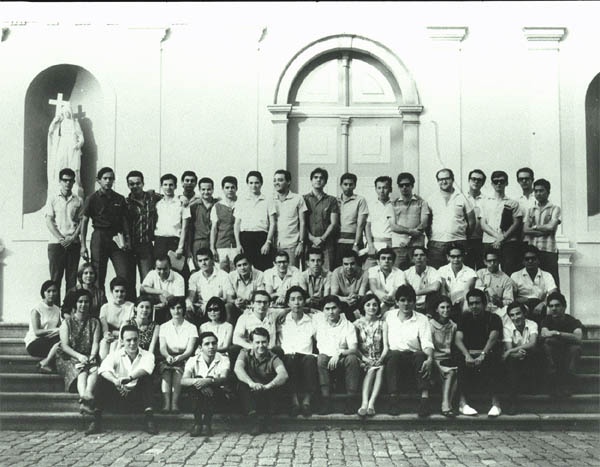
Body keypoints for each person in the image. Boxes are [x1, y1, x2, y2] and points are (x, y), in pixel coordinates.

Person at [89, 325, 158, 435]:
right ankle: (96, 420)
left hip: (138, 399)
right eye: (128, 340)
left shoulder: (148, 355)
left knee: (147, 378)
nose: (132, 343)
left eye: (135, 339)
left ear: (139, 339)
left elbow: (147, 369)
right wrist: (115, 381)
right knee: (103, 377)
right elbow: (103, 369)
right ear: (122, 341)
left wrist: (130, 378)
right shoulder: (115, 355)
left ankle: (149, 420)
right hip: (118, 397)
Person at [80, 167, 131, 298]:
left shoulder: (119, 199)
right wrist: (83, 245)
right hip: (99, 237)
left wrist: (127, 239)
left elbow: (125, 221)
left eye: (111, 178)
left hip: (116, 238)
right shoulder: (91, 198)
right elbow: (84, 222)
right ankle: (99, 307)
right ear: (99, 180)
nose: (108, 181)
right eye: (105, 178)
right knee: (97, 275)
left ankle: (123, 307)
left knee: (124, 273)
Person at [384, 285, 434, 417]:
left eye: (410, 300)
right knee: (393, 355)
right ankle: (393, 400)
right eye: (402, 300)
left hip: (413, 357)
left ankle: (424, 400)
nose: (406, 304)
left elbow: (426, 342)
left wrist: (429, 358)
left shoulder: (422, 319)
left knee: (420, 356)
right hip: (394, 357)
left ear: (415, 302)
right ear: (396, 302)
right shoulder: (388, 316)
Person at [454, 289, 503, 417]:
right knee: (460, 359)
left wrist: (483, 354)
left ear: (484, 303)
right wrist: (467, 355)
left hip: (486, 352)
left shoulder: (494, 318)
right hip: (469, 354)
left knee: (494, 358)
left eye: (477, 303)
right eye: (471, 303)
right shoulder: (464, 317)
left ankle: (495, 403)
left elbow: (493, 338)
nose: (474, 306)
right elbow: (458, 339)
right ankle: (462, 403)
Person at [234, 327, 289, 435]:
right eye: (257, 342)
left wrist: (269, 385)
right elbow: (238, 368)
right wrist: (251, 383)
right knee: (242, 384)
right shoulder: (244, 353)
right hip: (251, 389)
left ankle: (268, 420)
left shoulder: (273, 357)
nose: (260, 345)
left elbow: (283, 374)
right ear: (251, 343)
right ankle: (255, 422)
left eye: (264, 342)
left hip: (266, 389)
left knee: (276, 385)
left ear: (268, 342)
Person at [55, 289, 101, 417]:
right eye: (80, 301)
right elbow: (64, 346)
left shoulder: (94, 322)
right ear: (75, 304)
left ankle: (87, 395)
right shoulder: (67, 323)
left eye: (86, 302)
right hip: (68, 357)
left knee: (94, 368)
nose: (83, 304)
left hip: (87, 356)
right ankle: (85, 396)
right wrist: (79, 356)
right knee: (82, 370)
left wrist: (92, 356)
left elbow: (95, 343)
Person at [314, 295, 360, 415]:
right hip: (326, 359)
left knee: (352, 359)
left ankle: (351, 400)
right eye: (327, 309)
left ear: (339, 309)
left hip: (342, 358)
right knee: (321, 358)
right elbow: (322, 348)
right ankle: (326, 400)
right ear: (323, 311)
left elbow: (353, 349)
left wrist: (339, 354)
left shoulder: (348, 325)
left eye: (334, 308)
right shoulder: (319, 324)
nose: (331, 312)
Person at [277, 286, 318, 417]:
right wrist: (285, 311)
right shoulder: (281, 321)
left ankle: (307, 401)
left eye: (300, 299)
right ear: (288, 302)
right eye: (293, 299)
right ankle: (294, 402)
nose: (296, 302)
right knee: (289, 359)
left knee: (311, 359)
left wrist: (309, 309)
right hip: (288, 357)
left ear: (305, 301)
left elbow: (323, 314)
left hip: (306, 357)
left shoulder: (312, 320)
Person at [182, 331, 231, 437]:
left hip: (218, 395)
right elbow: (184, 380)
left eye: (214, 343)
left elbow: (223, 378)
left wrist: (208, 381)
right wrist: (199, 382)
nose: (211, 347)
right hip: (197, 395)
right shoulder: (193, 360)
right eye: (207, 344)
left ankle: (207, 423)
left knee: (208, 382)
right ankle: (198, 423)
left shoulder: (223, 359)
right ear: (200, 347)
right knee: (195, 385)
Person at [45, 167, 83, 295]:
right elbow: (49, 221)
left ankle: (68, 312)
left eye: (71, 181)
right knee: (55, 280)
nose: (68, 183)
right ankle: (55, 312)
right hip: (56, 244)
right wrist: (61, 238)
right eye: (65, 180)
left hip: (73, 243)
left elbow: (81, 221)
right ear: (60, 181)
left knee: (71, 280)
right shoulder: (52, 198)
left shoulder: (78, 200)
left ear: (73, 182)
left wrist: (72, 237)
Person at [428, 168, 475, 269]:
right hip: (437, 244)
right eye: (440, 179)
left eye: (447, 178)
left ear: (453, 179)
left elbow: (472, 221)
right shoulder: (431, 199)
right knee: (437, 273)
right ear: (438, 181)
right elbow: (427, 223)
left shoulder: (462, 197)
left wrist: (462, 236)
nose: (444, 181)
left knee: (461, 272)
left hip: (459, 241)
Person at [158, 296, 198, 413]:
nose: (176, 311)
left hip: (184, 357)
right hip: (168, 356)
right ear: (169, 310)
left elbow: (189, 350)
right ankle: (166, 404)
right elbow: (162, 347)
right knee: (166, 370)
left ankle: (175, 404)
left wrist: (180, 357)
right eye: (173, 308)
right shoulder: (164, 327)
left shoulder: (191, 327)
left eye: (179, 308)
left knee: (177, 371)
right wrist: (167, 356)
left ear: (184, 309)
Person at [479, 170, 524, 276]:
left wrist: (502, 238)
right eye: (495, 181)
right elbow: (483, 224)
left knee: (509, 270)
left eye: (502, 181)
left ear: (506, 183)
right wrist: (497, 237)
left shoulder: (513, 203)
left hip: (508, 242)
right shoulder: (485, 201)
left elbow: (516, 223)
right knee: (489, 271)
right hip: (489, 241)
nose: (498, 184)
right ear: (491, 184)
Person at [540, 292, 583, 398]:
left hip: (568, 352)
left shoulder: (573, 321)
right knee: (547, 345)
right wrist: (566, 337)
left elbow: (578, 338)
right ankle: (553, 384)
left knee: (575, 349)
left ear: (564, 307)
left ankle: (568, 384)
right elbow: (544, 333)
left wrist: (557, 334)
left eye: (557, 305)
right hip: (554, 352)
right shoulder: (546, 320)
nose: (554, 308)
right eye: (551, 306)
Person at [125, 170, 161, 290]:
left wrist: (182, 197)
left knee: (147, 280)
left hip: (145, 245)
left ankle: (146, 305)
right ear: (128, 185)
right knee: (129, 280)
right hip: (130, 246)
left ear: (143, 183)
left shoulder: (152, 197)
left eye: (138, 183)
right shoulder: (125, 202)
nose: (135, 186)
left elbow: (170, 198)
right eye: (131, 184)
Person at [354, 294, 388, 417]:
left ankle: (371, 403)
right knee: (372, 369)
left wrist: (381, 358)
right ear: (363, 307)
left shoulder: (382, 324)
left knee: (380, 368)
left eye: (374, 305)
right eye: (368, 305)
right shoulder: (356, 324)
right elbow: (355, 347)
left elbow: (386, 346)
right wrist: (365, 359)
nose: (371, 307)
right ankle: (364, 403)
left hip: (378, 358)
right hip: (363, 358)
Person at [234, 171, 276, 271]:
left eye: (256, 182)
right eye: (251, 183)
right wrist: (238, 244)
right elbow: (237, 224)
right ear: (247, 184)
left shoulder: (268, 200)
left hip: (261, 238)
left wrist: (268, 242)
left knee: (263, 268)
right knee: (246, 269)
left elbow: (273, 223)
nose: (254, 185)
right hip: (245, 238)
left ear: (261, 183)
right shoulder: (241, 201)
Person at [502, 303, 540, 415]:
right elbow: (509, 349)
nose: (516, 317)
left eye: (518, 313)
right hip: (516, 358)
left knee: (536, 353)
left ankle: (532, 385)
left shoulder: (532, 324)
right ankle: (512, 402)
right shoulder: (507, 327)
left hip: (530, 356)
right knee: (512, 362)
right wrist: (514, 353)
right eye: (512, 315)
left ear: (524, 314)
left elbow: (533, 343)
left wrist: (511, 351)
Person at [523, 178, 561, 286]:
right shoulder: (531, 210)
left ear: (548, 192)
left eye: (541, 190)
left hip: (548, 250)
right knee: (535, 282)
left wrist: (534, 227)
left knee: (552, 281)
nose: (538, 193)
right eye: (536, 191)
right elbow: (525, 229)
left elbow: (551, 227)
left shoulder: (555, 208)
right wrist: (541, 230)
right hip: (533, 250)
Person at [389, 172, 430, 270]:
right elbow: (393, 226)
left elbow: (424, 223)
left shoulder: (422, 202)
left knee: (417, 272)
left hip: (417, 247)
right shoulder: (393, 204)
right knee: (398, 273)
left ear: (412, 185)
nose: (404, 187)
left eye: (407, 185)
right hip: (399, 246)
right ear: (398, 186)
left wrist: (409, 238)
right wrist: (411, 232)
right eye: (401, 185)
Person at [510, 245, 558, 324]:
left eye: (533, 258)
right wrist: (522, 304)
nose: (530, 261)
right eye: (527, 259)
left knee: (550, 309)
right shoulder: (515, 275)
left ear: (538, 260)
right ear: (523, 261)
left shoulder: (547, 275)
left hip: (541, 304)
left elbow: (553, 293)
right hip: (523, 305)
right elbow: (511, 296)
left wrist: (543, 304)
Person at [303, 167, 339, 270]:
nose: (318, 180)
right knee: (309, 272)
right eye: (315, 177)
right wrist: (312, 238)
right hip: (309, 243)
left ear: (325, 182)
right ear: (311, 180)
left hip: (327, 243)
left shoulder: (331, 200)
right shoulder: (303, 199)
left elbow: (334, 223)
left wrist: (322, 239)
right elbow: (301, 222)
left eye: (321, 178)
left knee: (327, 272)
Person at [188, 248, 236, 324]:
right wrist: (189, 304)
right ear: (197, 263)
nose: (203, 263)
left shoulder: (224, 275)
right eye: (200, 261)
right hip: (201, 309)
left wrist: (208, 305)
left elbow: (228, 298)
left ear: (212, 260)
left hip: (218, 308)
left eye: (206, 259)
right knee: (188, 308)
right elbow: (191, 296)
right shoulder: (194, 277)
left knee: (229, 306)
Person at [429, 296, 459, 417]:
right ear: (436, 309)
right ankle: (445, 404)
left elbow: (454, 345)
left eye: (448, 307)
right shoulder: (430, 325)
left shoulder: (453, 326)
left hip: (448, 359)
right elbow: (429, 346)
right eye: (442, 307)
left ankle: (448, 404)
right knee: (450, 373)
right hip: (435, 358)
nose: (445, 310)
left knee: (457, 372)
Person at [47, 102, 84, 196]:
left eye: (69, 111)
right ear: (63, 112)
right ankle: (58, 186)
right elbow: (51, 131)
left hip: (72, 146)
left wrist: (78, 144)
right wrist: (54, 121)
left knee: (72, 165)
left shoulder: (75, 123)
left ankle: (73, 186)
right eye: (65, 111)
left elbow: (81, 137)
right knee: (60, 163)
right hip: (62, 145)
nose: (67, 113)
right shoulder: (60, 122)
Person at [271, 169, 307, 267]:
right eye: (274, 180)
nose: (276, 183)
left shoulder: (298, 198)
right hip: (274, 246)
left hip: (292, 245)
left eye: (280, 180)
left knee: (291, 274)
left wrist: (301, 243)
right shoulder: (270, 200)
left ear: (288, 182)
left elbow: (303, 222)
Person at [24, 281, 62, 373]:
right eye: (48, 291)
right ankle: (46, 363)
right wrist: (55, 330)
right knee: (60, 346)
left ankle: (44, 362)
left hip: (49, 340)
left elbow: (61, 328)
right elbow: (37, 332)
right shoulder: (37, 309)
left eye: (54, 291)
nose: (51, 294)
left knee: (64, 343)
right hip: (35, 342)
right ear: (43, 293)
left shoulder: (57, 309)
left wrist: (60, 330)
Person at [153, 173, 190, 265]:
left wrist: (180, 247)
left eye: (171, 185)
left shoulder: (182, 203)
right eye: (165, 185)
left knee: (177, 271)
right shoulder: (157, 204)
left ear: (175, 186)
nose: (168, 187)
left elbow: (185, 227)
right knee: (160, 271)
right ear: (161, 186)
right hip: (159, 242)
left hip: (175, 242)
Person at [336, 173, 369, 268]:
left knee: (355, 270)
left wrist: (356, 244)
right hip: (338, 243)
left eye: (351, 184)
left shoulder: (360, 200)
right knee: (339, 270)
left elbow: (361, 223)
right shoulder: (335, 200)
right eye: (345, 184)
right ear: (341, 185)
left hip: (353, 242)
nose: (348, 187)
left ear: (355, 185)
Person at [140, 256, 186, 325]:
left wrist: (165, 303)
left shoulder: (178, 278)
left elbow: (179, 300)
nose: (162, 272)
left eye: (165, 269)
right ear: (155, 267)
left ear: (170, 266)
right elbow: (142, 289)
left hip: (171, 306)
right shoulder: (152, 273)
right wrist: (162, 292)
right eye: (159, 269)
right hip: (156, 304)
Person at [438, 243, 477, 321]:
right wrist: (447, 304)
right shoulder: (441, 270)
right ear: (448, 257)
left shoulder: (470, 272)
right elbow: (442, 290)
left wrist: (462, 301)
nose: (456, 259)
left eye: (458, 256)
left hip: (462, 303)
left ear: (463, 257)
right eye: (453, 257)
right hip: (446, 302)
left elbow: (467, 290)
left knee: (466, 306)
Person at [99, 277, 134, 360]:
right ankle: (103, 366)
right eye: (116, 291)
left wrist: (117, 333)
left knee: (117, 346)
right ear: (111, 291)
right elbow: (105, 328)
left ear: (126, 292)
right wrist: (107, 334)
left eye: (122, 291)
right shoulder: (105, 307)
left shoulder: (130, 306)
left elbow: (128, 326)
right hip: (109, 337)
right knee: (104, 343)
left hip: (124, 338)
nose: (119, 294)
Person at [475, 249, 514, 322]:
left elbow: (510, 300)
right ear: (485, 262)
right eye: (489, 261)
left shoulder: (506, 279)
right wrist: (487, 289)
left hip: (497, 309)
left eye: (495, 260)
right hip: (480, 307)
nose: (492, 263)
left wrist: (500, 302)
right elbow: (476, 289)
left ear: (499, 261)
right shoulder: (480, 273)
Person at [330, 250, 369, 322]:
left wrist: (355, 297)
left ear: (357, 263)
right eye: (346, 264)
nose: (349, 267)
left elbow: (361, 295)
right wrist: (346, 299)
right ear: (342, 264)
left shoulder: (364, 273)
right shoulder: (336, 272)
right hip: (342, 303)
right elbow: (333, 295)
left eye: (352, 264)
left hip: (356, 302)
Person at [364, 176, 394, 270]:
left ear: (390, 189)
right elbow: (367, 226)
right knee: (368, 272)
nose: (382, 191)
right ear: (376, 189)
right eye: (379, 188)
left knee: (390, 273)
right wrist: (370, 245)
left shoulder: (395, 204)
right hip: (374, 244)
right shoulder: (370, 205)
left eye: (385, 187)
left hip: (391, 244)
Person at [189, 177, 219, 269]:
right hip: (199, 242)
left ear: (213, 190)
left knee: (216, 269)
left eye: (209, 189)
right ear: (199, 190)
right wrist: (189, 249)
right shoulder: (193, 206)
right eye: (203, 189)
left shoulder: (218, 205)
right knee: (199, 270)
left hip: (216, 242)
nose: (206, 192)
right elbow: (189, 229)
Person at [210, 176, 238, 272]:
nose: (230, 190)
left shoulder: (241, 204)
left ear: (236, 188)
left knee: (236, 272)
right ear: (223, 189)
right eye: (227, 187)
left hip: (236, 246)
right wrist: (212, 248)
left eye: (232, 187)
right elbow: (214, 228)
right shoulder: (217, 206)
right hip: (221, 246)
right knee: (221, 273)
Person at [404, 247, 442, 316]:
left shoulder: (433, 271)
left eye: (422, 255)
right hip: (412, 305)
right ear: (412, 259)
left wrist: (415, 293)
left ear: (427, 258)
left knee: (433, 294)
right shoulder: (406, 273)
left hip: (428, 305)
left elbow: (435, 287)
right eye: (416, 255)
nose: (419, 257)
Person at [368, 248, 407, 314]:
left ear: (393, 262)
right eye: (383, 258)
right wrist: (381, 295)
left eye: (389, 259)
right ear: (378, 261)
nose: (386, 261)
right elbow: (373, 285)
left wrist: (388, 298)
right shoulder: (373, 270)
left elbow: (398, 289)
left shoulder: (400, 273)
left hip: (393, 300)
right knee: (369, 294)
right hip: (377, 298)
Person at [465, 169, 487, 270]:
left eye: (479, 180)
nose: (476, 182)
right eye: (473, 179)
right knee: (467, 269)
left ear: (483, 183)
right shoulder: (462, 198)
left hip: (482, 241)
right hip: (466, 240)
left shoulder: (487, 199)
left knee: (482, 269)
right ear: (469, 180)